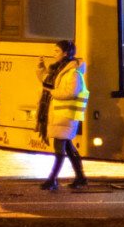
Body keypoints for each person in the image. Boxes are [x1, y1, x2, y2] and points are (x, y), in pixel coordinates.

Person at [36, 40, 89, 191]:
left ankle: (52, 179)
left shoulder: (73, 72)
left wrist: (52, 93)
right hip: (59, 114)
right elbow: (46, 81)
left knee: (59, 147)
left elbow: (71, 92)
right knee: (67, 147)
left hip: (65, 115)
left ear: (66, 53)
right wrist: (40, 68)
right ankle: (81, 178)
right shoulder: (58, 70)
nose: (54, 54)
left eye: (57, 51)